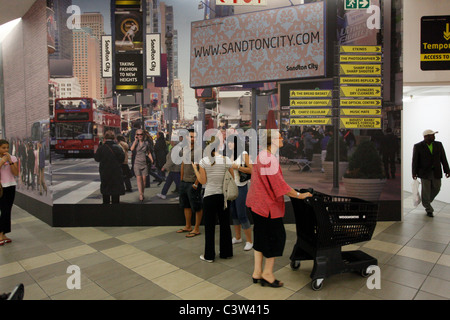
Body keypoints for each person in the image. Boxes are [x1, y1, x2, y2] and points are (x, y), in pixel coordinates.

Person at [246, 129, 312, 287]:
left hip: (256, 204)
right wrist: (299, 195)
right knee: (276, 238)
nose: (283, 138)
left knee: (261, 237)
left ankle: (257, 272)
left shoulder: (261, 155)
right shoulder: (269, 159)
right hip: (267, 207)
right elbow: (279, 185)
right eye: (280, 136)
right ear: (273, 140)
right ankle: (267, 274)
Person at [192, 135, 234, 262]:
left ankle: (209, 255)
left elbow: (202, 180)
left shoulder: (204, 161)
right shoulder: (226, 160)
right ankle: (226, 252)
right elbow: (232, 177)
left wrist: (195, 169)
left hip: (209, 196)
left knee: (210, 227)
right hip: (223, 197)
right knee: (225, 224)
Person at [412, 129, 450, 217]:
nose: (434, 137)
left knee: (437, 188)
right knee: (426, 190)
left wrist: (447, 170)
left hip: (436, 171)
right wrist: (414, 173)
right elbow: (415, 161)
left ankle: (426, 201)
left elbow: (443, 158)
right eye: (432, 135)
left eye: (433, 135)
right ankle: (428, 209)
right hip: (424, 172)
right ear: (426, 137)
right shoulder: (418, 146)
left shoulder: (438, 145)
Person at [226, 134, 253, 251]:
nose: (229, 144)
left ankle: (249, 240)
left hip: (241, 187)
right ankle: (237, 237)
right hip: (230, 186)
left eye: (231, 142)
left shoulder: (243, 154)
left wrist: (237, 167)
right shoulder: (228, 155)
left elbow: (251, 169)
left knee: (242, 213)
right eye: (228, 142)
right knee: (234, 213)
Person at [177, 129, 203, 238]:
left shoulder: (199, 150)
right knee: (186, 205)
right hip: (184, 182)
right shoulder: (185, 149)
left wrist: (196, 183)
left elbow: (201, 168)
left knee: (197, 206)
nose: (192, 139)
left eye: (194, 137)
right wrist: (181, 179)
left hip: (194, 182)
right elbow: (183, 164)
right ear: (187, 137)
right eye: (190, 136)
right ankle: (188, 226)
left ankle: (196, 228)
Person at [94, 131, 125, 204]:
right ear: (114, 138)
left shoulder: (102, 148)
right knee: (115, 193)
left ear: (105, 138)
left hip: (105, 172)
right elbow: (122, 159)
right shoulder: (118, 147)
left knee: (106, 192)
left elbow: (97, 159)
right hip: (116, 172)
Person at [0, 140, 19, 245]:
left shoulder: (13, 158)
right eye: (3, 148)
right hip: (1, 187)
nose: (6, 150)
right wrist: (2, 161)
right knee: (3, 210)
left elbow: (16, 173)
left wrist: (10, 161)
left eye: (7, 147)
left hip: (11, 186)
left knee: (8, 210)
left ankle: (4, 233)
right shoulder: (1, 159)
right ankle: (0, 234)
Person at [131, 129, 154, 202]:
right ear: (136, 135)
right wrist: (135, 141)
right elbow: (131, 149)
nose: (140, 136)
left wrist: (152, 159)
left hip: (144, 163)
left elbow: (148, 152)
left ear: (143, 135)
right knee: (139, 179)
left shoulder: (146, 143)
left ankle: (142, 193)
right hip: (137, 163)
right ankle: (140, 194)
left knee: (144, 180)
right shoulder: (135, 143)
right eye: (138, 134)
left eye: (141, 134)